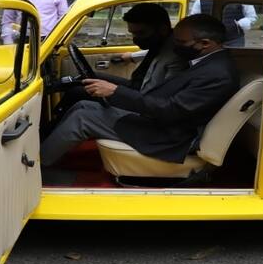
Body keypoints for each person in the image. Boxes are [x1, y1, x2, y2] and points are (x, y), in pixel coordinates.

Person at [41, 14, 240, 167]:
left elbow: (172, 109)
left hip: (170, 137)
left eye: (179, 42)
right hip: (162, 123)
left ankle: (39, 165)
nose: (174, 46)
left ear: (205, 44)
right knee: (84, 104)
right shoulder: (206, 62)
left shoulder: (218, 73)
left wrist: (115, 92)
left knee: (82, 118)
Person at [51, 3, 188, 122]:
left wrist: (116, 93)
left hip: (141, 101)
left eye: (141, 33)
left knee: (77, 93)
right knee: (90, 77)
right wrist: (132, 56)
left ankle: (51, 128)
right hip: (136, 87)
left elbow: (160, 101)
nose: (136, 39)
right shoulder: (162, 42)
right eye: (132, 34)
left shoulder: (175, 56)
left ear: (162, 30)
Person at [189, 0, 257, 46]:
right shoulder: (200, 0)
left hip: (234, 40)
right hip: (209, 41)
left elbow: (252, 17)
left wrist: (239, 24)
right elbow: (193, 20)